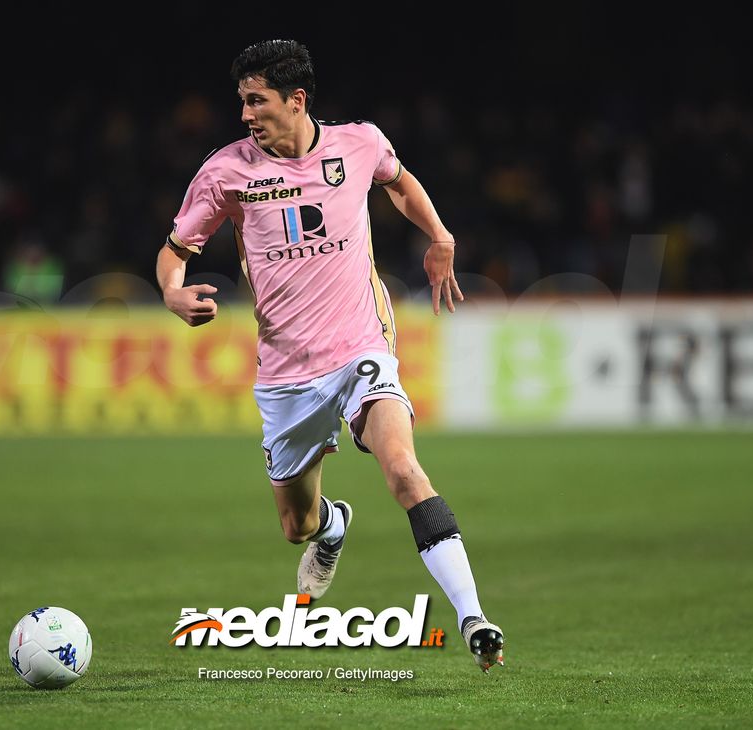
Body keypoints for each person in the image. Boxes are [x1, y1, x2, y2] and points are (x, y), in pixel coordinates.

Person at [156, 39, 504, 672]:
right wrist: (172, 293)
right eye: (241, 101)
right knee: (297, 524)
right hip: (287, 372)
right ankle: (333, 526)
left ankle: (473, 617)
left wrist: (441, 236)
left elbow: (398, 182)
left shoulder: (359, 143)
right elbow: (176, 250)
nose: (245, 114)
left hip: (360, 347)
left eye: (255, 100)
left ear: (296, 99)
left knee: (402, 469)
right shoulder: (226, 172)